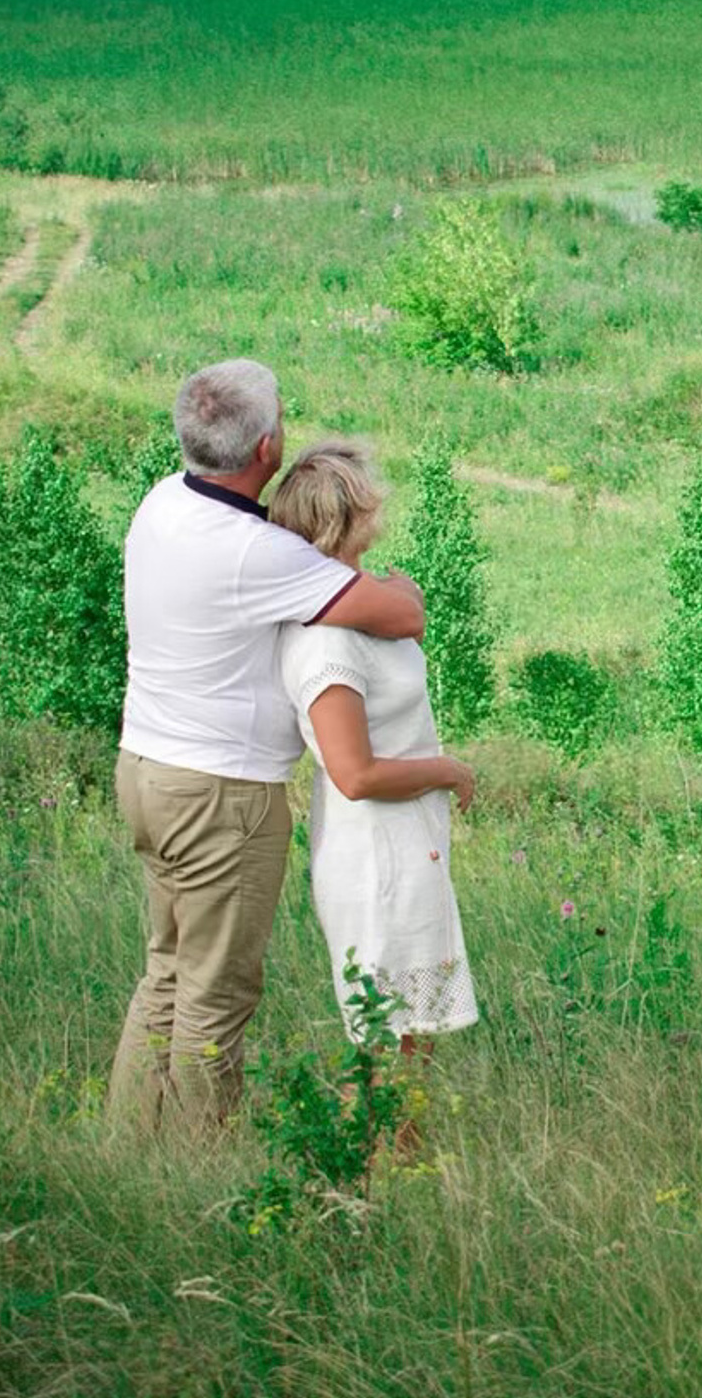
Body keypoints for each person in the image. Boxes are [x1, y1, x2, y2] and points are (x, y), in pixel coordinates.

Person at [110, 359, 428, 1135]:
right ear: (266, 449)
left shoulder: (163, 503)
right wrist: (407, 588)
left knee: (168, 973)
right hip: (220, 795)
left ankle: (127, 1145)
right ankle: (194, 1166)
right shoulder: (259, 553)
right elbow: (399, 613)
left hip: (145, 769)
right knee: (216, 994)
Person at [268, 441, 478, 1052]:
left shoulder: (361, 611)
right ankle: (377, 1150)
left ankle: (402, 1149)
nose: (379, 500)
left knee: (415, 1039)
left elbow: (410, 614)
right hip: (373, 857)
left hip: (406, 846)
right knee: (388, 1041)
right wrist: (445, 769)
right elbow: (353, 774)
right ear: (347, 515)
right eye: (367, 494)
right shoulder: (327, 644)